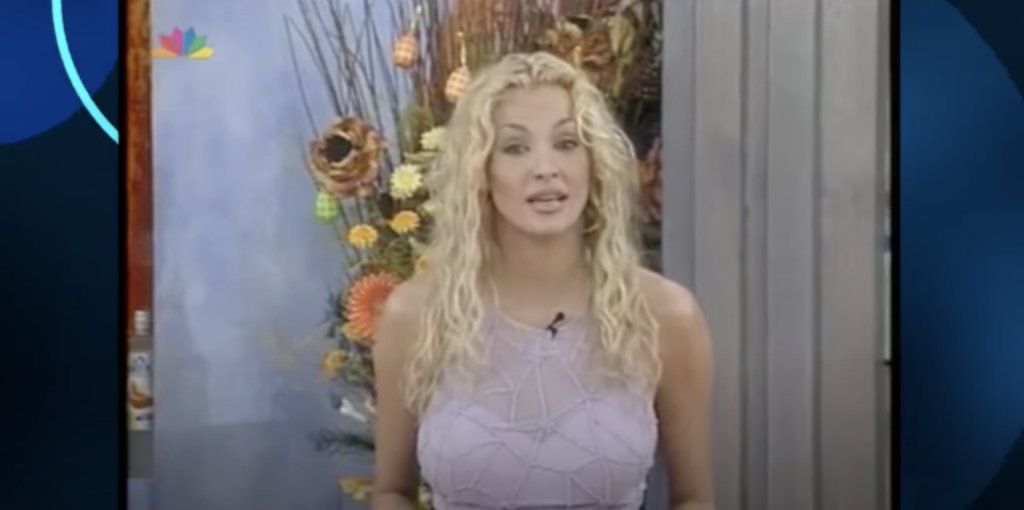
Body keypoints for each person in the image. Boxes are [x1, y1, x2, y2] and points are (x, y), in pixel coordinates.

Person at [371, 52, 714, 510]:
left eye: (567, 143)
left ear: (594, 163)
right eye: (515, 148)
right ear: (480, 171)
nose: (546, 167)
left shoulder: (665, 316)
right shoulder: (416, 315)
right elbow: (392, 492)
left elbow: (694, 499)